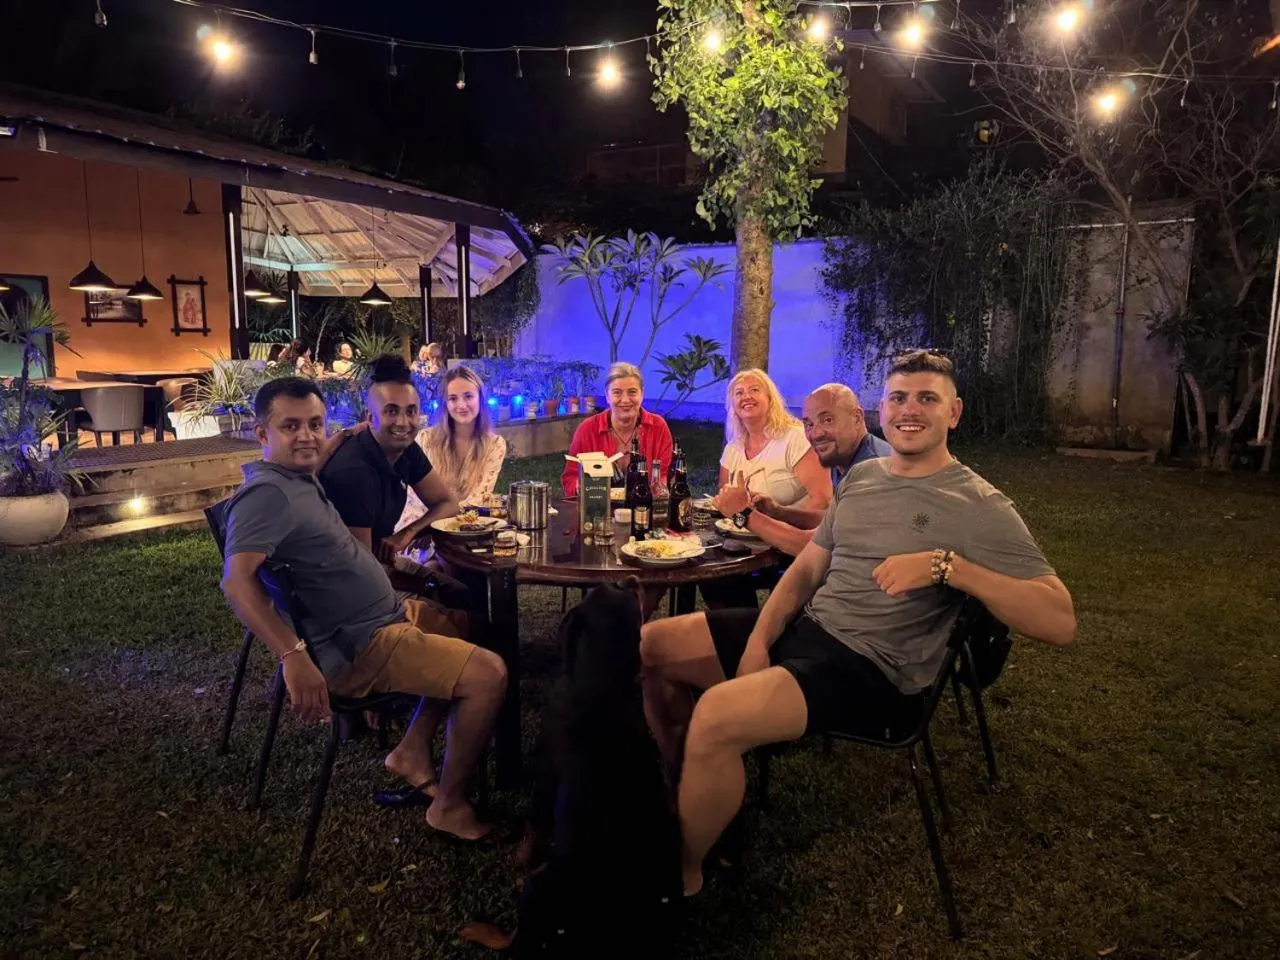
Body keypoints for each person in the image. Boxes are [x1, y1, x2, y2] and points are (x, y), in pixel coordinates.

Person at [639, 349, 1077, 896]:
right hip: (814, 633)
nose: (909, 410)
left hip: (876, 670)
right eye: (898, 397)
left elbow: (1060, 621)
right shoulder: (865, 476)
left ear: (954, 412)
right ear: (881, 410)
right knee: (652, 645)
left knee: (715, 716)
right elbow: (805, 571)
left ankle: (681, 872)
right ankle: (696, 792)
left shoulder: (979, 503)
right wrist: (757, 640)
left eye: (926, 398)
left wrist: (951, 568)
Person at [218, 376, 506, 840]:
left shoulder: (295, 479)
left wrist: (335, 439)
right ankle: (449, 807)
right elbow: (236, 582)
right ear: (261, 434)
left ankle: (411, 751)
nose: (307, 436)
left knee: (462, 624)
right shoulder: (268, 495)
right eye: (290, 426)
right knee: (489, 673)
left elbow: (312, 460)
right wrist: (292, 655)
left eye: (315, 423)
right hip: (361, 644)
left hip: (384, 618)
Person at [702, 369, 832, 608]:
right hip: (745, 535)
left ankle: (754, 630)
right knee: (712, 571)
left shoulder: (794, 438)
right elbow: (725, 500)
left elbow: (822, 498)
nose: (746, 396)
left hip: (790, 539)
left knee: (722, 571)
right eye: (739, 393)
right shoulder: (734, 447)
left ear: (770, 398)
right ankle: (741, 630)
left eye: (754, 390)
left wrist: (779, 524)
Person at [713, 384, 891, 557]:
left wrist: (742, 514)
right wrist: (778, 512)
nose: (816, 433)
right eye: (809, 424)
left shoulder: (871, 468)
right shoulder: (845, 458)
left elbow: (808, 547)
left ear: (857, 417)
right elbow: (831, 521)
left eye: (827, 420)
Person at [400, 366, 508, 530]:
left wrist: (450, 521)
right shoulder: (424, 439)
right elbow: (414, 499)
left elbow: (478, 499)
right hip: (419, 526)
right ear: (445, 404)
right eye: (453, 398)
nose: (461, 405)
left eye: (468, 396)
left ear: (480, 399)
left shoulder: (495, 445)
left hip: (466, 527)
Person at [561, 362, 673, 498]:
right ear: (607, 396)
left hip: (644, 509)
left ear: (642, 394)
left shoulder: (658, 427)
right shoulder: (587, 429)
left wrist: (660, 491)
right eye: (617, 393)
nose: (625, 400)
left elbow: (665, 475)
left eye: (632, 392)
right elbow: (570, 479)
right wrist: (581, 486)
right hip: (599, 510)